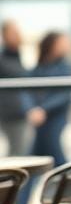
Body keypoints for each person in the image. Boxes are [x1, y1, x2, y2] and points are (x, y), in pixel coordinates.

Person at [17, 31, 71, 204]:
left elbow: (65, 95)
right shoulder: (39, 66)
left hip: (54, 121)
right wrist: (31, 110)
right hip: (40, 123)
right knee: (43, 164)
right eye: (62, 42)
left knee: (49, 163)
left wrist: (43, 110)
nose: (66, 45)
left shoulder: (64, 67)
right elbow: (25, 89)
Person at [0, 20, 42, 156]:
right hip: (12, 112)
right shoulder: (5, 59)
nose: (17, 35)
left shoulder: (18, 55)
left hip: (21, 111)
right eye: (13, 32)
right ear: (4, 35)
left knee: (20, 150)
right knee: (18, 153)